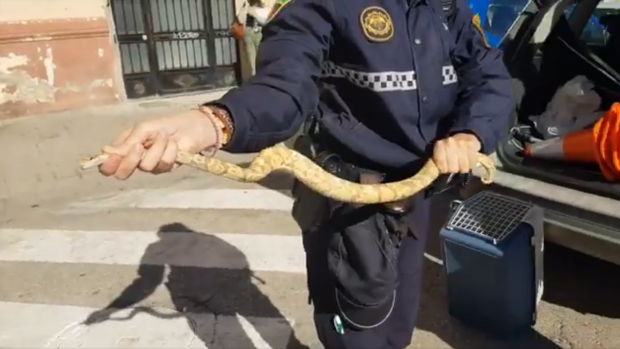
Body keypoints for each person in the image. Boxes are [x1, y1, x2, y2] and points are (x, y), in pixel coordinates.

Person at [97, 0, 515, 346]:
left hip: (416, 196)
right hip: (349, 208)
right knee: (356, 332)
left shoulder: (446, 8)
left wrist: (471, 133)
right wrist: (214, 123)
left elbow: (490, 76)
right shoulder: (320, 5)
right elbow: (283, 87)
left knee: (399, 324)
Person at [235, 0, 272, 75]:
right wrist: (244, 8)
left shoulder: (264, 8)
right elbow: (240, 20)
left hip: (259, 34)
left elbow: (265, 20)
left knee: (261, 59)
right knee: (252, 61)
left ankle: (262, 78)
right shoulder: (247, 7)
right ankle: (254, 77)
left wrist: (252, 11)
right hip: (248, 35)